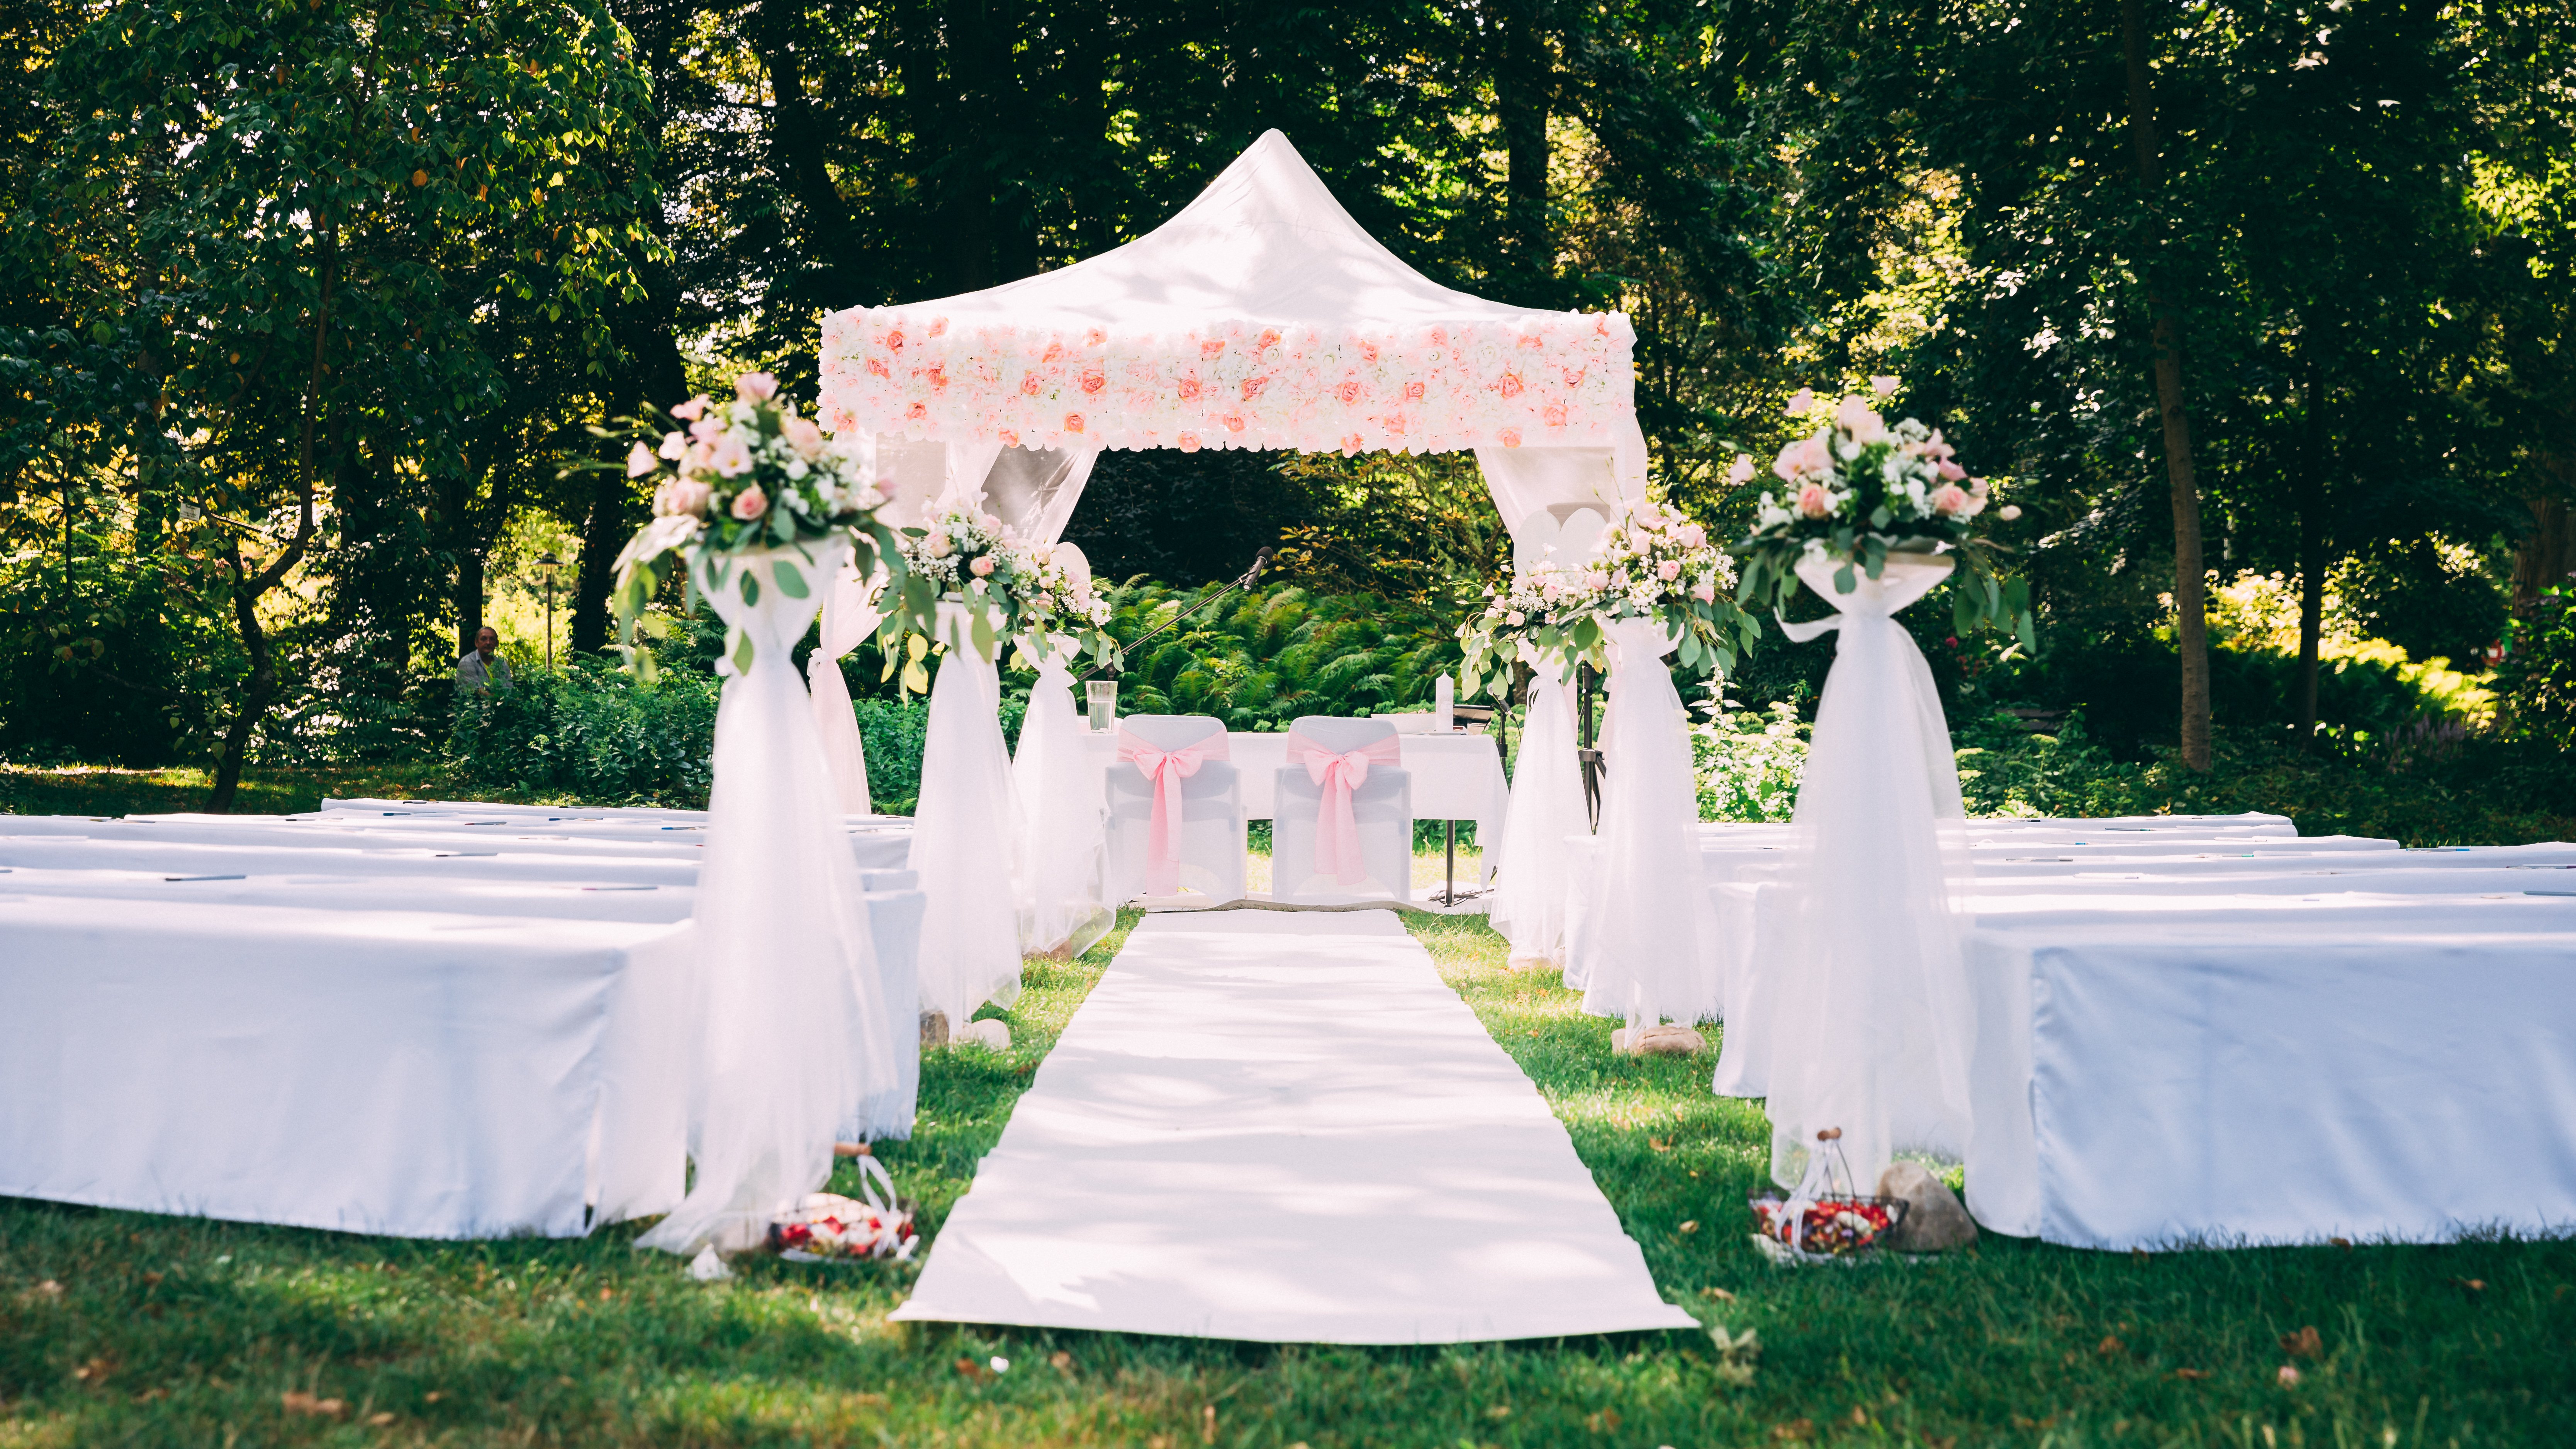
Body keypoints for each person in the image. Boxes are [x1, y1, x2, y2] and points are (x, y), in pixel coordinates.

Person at [456, 625, 513, 694]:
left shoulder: (502, 663)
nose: (488, 643)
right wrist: (500, 701)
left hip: (503, 704)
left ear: (497, 644)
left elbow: (510, 690)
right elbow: (478, 693)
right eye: (484, 639)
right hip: (477, 704)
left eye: (492, 639)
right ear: (476, 643)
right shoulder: (467, 662)